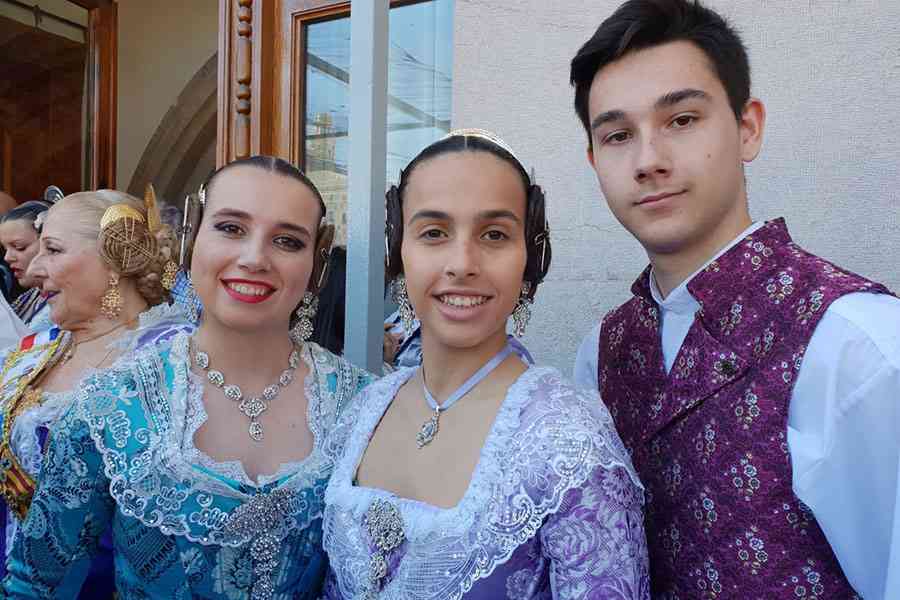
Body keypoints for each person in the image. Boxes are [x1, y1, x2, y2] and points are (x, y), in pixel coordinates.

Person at [569, 1, 900, 598]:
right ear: (594, 161)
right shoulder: (601, 351)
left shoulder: (857, 345)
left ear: (748, 128)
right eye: (618, 136)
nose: (648, 161)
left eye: (681, 120)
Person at [1, 156, 373, 599]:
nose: (254, 258)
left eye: (287, 241)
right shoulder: (111, 401)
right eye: (231, 228)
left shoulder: (363, 404)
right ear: (190, 237)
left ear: (318, 261)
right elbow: (35, 585)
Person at [321, 130, 649, 599]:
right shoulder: (363, 412)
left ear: (528, 257)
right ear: (399, 250)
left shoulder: (568, 444)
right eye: (434, 233)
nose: (462, 263)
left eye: (494, 235)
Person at [0, 188, 184, 598]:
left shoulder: (171, 358)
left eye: (52, 250)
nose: (34, 269)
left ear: (115, 257)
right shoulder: (38, 349)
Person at [0, 201, 54, 329]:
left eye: (19, 247)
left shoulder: (73, 302)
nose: (7, 258)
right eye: (5, 249)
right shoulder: (33, 295)